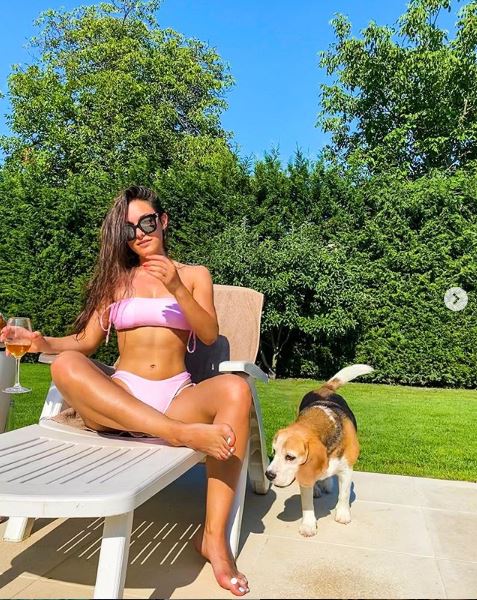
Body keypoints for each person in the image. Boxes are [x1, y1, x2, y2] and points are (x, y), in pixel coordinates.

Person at [0, 185, 251, 596]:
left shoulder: (193, 275)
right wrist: (39, 343)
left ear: (163, 221)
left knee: (237, 390)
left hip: (175, 397)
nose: (139, 234)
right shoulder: (116, 281)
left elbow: (209, 334)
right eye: (129, 228)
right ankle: (177, 434)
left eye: (147, 222)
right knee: (65, 365)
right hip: (123, 399)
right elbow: (84, 342)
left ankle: (214, 540)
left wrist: (177, 287)